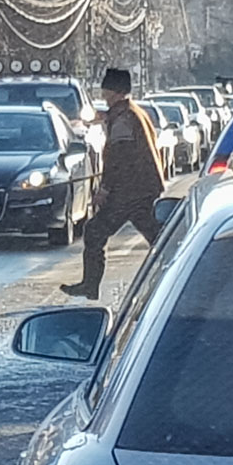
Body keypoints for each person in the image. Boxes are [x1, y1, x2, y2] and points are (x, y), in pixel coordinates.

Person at [61, 68, 165, 300]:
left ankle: (90, 286)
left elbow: (119, 157)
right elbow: (111, 118)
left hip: (128, 191)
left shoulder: (124, 120)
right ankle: (177, 272)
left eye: (106, 90)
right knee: (159, 238)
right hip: (142, 189)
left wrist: (104, 189)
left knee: (95, 231)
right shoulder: (131, 112)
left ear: (114, 91)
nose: (103, 93)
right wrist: (100, 118)